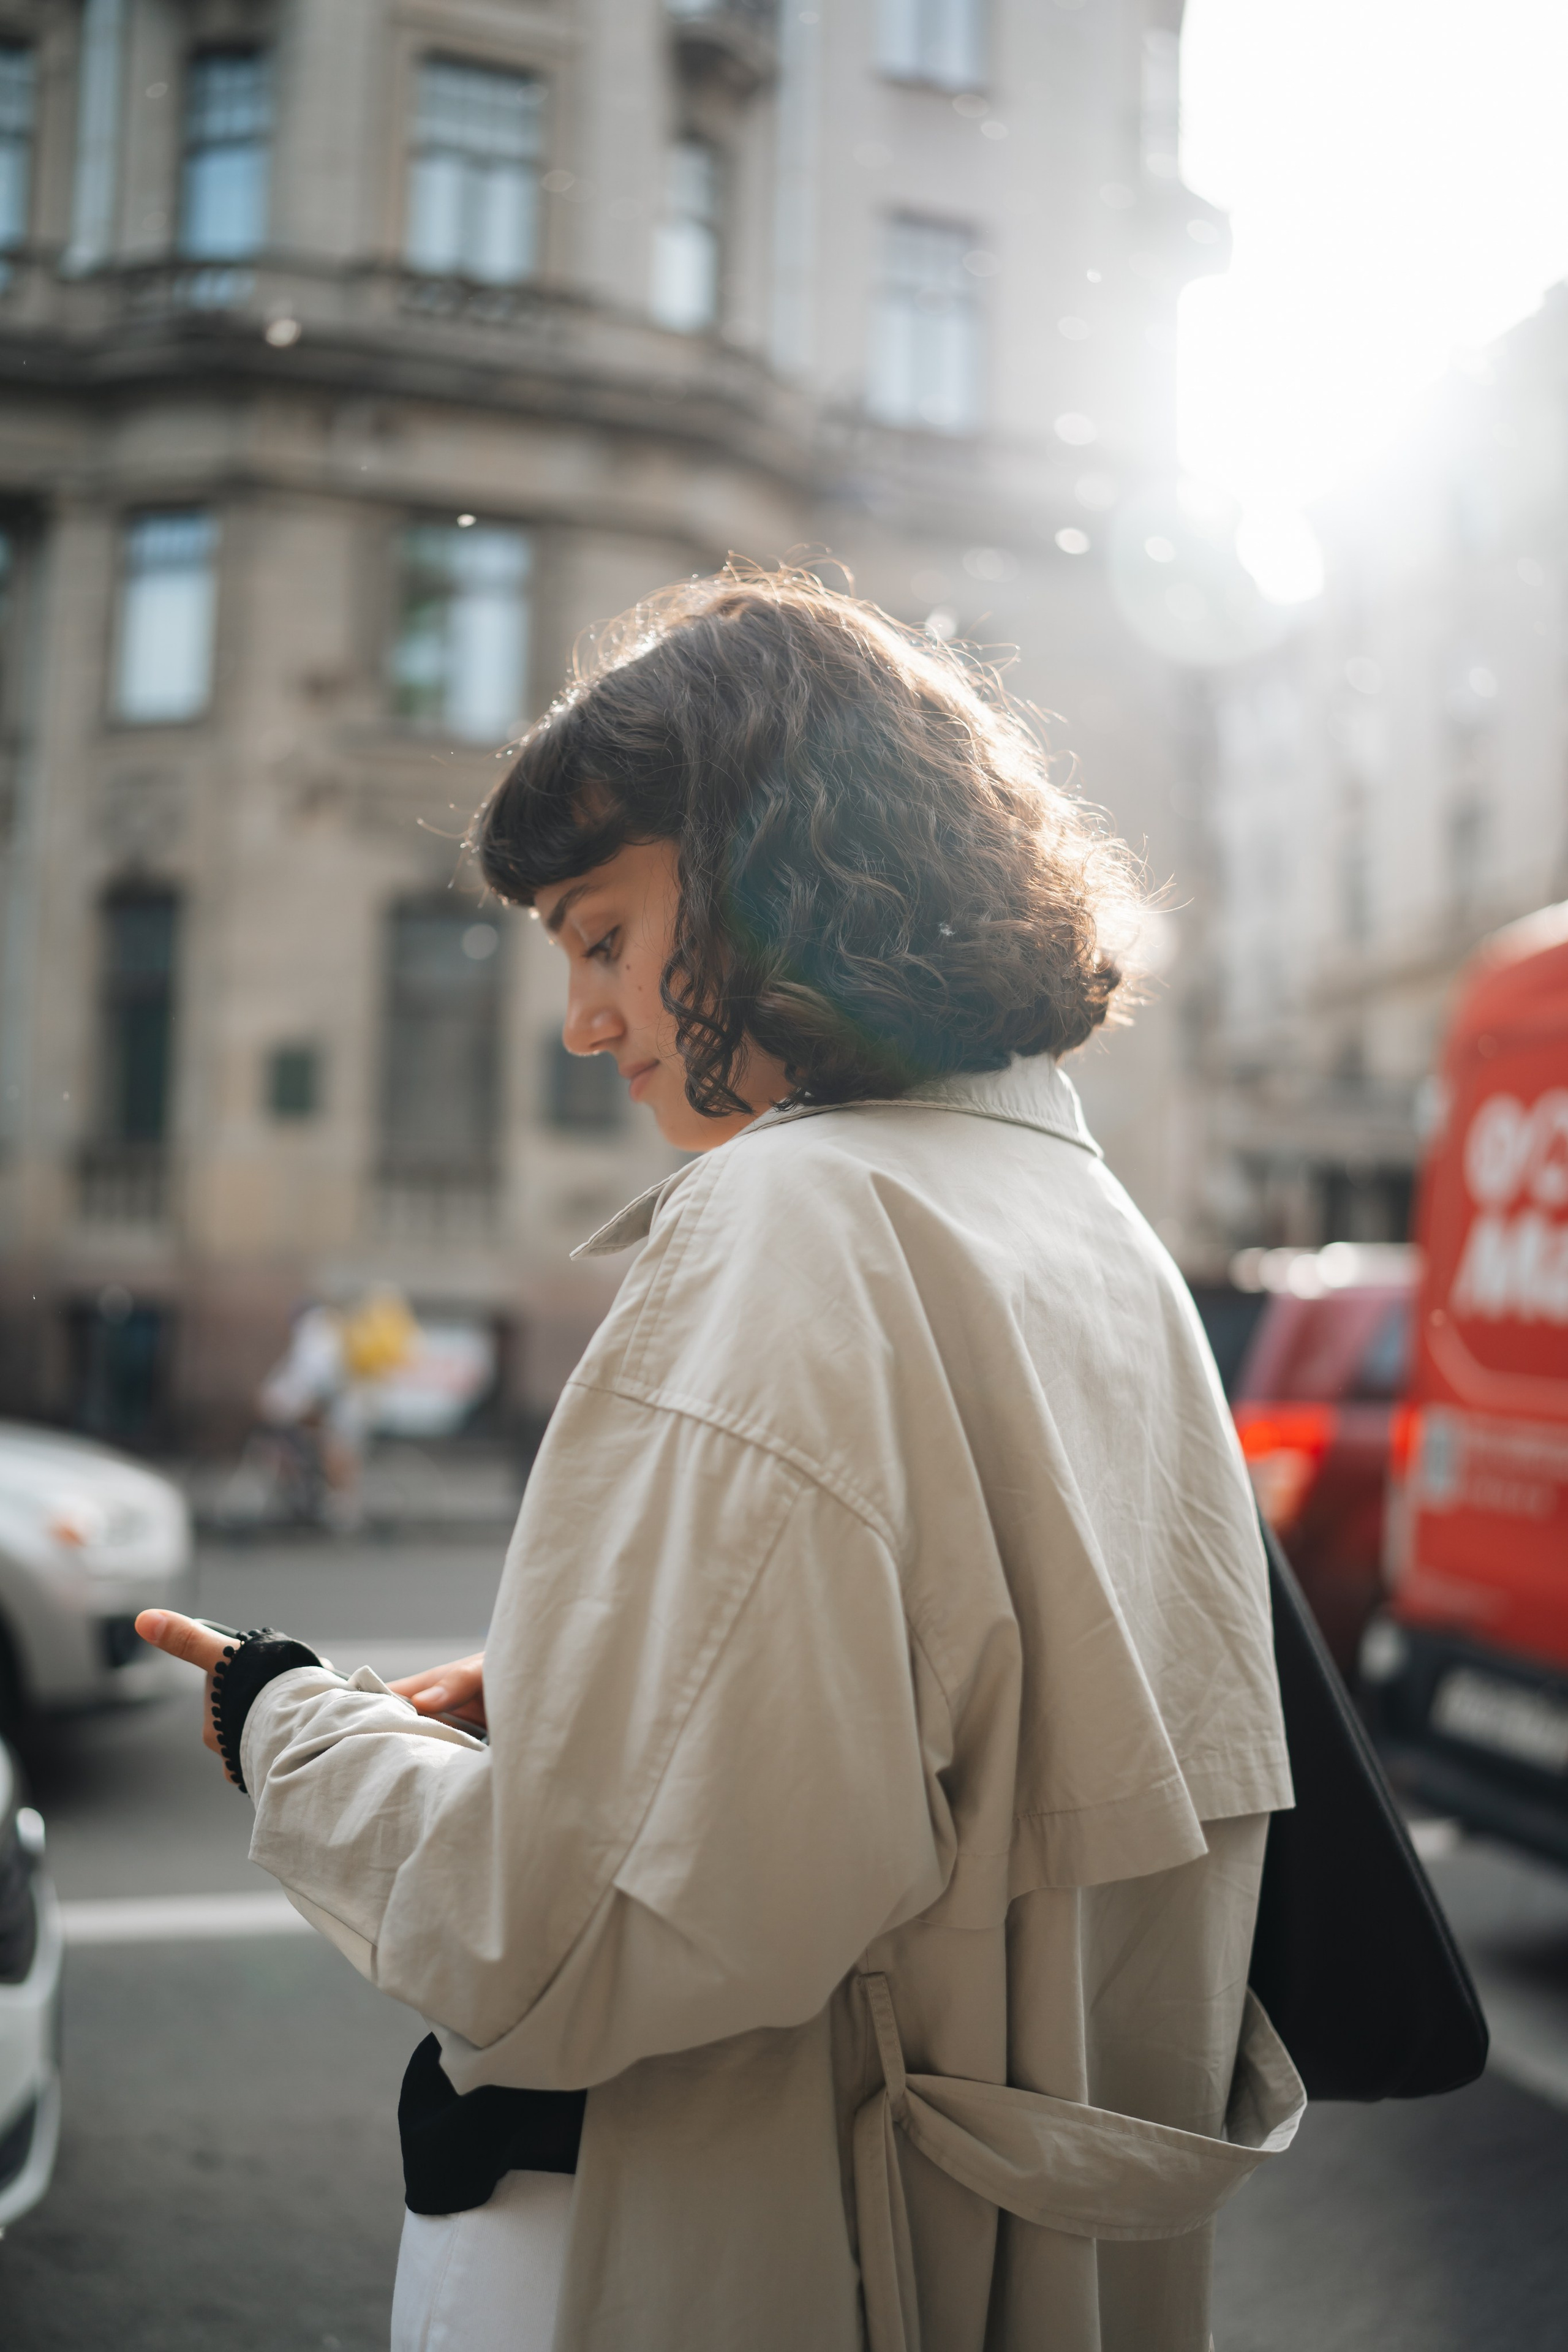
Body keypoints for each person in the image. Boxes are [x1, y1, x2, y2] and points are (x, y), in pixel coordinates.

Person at [138, 568, 1300, 2352]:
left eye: (604, 937)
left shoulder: (799, 1217)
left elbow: (561, 1940)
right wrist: (582, 1709)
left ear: (774, 873)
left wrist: (290, 1723)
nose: (586, 1020)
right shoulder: (1077, 1213)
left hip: (767, 2248)